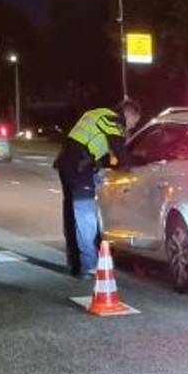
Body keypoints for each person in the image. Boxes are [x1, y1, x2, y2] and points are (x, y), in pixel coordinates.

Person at [54, 99, 141, 276]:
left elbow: (98, 149)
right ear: (129, 113)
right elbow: (120, 151)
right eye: (134, 122)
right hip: (79, 168)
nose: (131, 127)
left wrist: (110, 165)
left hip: (68, 164)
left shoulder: (97, 113)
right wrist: (136, 165)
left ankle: (75, 263)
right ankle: (89, 264)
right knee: (85, 215)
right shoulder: (111, 120)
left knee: (72, 215)